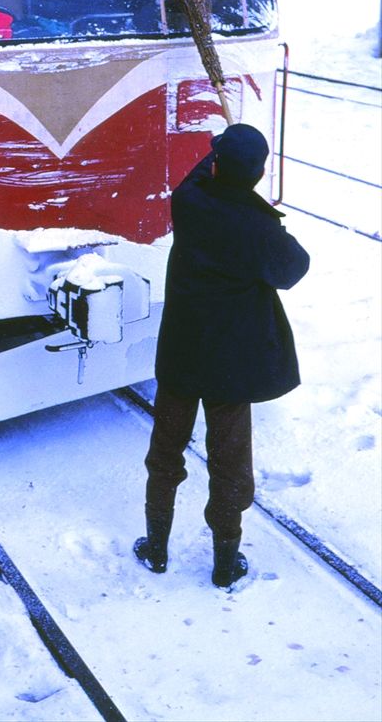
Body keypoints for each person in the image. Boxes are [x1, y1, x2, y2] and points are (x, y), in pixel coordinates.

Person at [134, 123, 310, 588]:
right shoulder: (256, 229)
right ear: (255, 174)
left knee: (165, 454)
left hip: (180, 356)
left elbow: (200, 174)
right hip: (229, 367)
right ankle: (225, 563)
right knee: (229, 464)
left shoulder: (188, 202)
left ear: (215, 165)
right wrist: (255, 204)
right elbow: (295, 267)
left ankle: (155, 548)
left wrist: (233, 177)